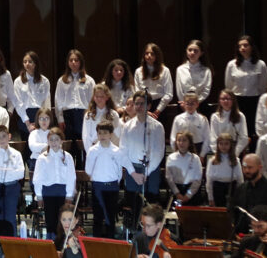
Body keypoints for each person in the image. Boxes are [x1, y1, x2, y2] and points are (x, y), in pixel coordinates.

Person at [120, 91, 166, 227]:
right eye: (137, 104)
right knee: (133, 204)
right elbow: (123, 152)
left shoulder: (157, 127)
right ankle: (134, 232)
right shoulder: (127, 126)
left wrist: (146, 173)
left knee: (151, 204)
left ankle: (151, 233)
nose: (139, 106)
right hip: (132, 169)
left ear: (149, 105)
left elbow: (159, 152)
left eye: (142, 103)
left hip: (150, 169)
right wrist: (133, 173)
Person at [224, 35, 267, 144]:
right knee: (238, 129)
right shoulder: (232, 64)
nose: (242, 48)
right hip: (238, 101)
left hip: (255, 101)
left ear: (252, 47)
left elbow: (263, 86)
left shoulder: (260, 64)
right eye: (240, 46)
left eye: (245, 45)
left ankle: (253, 155)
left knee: (253, 130)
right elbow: (228, 86)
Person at [33, 127, 76, 240]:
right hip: (48, 193)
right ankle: (51, 242)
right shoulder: (42, 158)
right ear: (48, 141)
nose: (54, 142)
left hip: (63, 192)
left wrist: (69, 194)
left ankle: (62, 242)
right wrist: (39, 195)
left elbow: (71, 177)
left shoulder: (68, 157)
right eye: (51, 140)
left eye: (56, 139)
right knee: (50, 220)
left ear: (61, 141)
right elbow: (37, 178)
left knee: (62, 219)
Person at [55, 49, 95, 168]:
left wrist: (90, 117)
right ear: (68, 62)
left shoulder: (89, 80)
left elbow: (92, 101)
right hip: (68, 115)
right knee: (70, 147)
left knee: (83, 145)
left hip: (83, 115)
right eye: (71, 60)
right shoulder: (62, 80)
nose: (73, 62)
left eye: (76, 60)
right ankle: (71, 174)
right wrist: (60, 119)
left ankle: (83, 175)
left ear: (80, 62)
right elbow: (58, 101)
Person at [85, 122, 125, 239]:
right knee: (97, 217)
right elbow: (88, 169)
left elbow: (119, 172)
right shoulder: (93, 150)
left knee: (110, 217)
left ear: (111, 134)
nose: (102, 135)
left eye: (105, 133)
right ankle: (96, 243)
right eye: (100, 133)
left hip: (112, 187)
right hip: (98, 186)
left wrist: (113, 182)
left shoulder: (116, 151)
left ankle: (110, 242)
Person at [230, 154, 267, 232]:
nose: (246, 171)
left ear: (259, 167)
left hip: (264, 233)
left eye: (250, 167)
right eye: (244, 167)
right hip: (242, 234)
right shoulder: (240, 188)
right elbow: (235, 212)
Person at [0, 124, 25, 237]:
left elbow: (20, 173)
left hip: (12, 187)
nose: (1, 139)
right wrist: (10, 172)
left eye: (4, 136)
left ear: (9, 136)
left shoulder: (16, 154)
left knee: (10, 216)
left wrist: (3, 172)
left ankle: (11, 245)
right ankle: (0, 244)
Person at [12, 50, 52, 138]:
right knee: (26, 147)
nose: (27, 64)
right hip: (24, 115)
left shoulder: (44, 81)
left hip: (40, 115)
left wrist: (45, 119)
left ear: (36, 64)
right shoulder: (18, 81)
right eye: (25, 62)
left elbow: (46, 102)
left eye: (30, 62)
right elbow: (18, 103)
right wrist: (27, 123)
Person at [134, 43, 174, 117]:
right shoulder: (138, 71)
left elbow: (169, 93)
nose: (149, 56)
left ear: (157, 56)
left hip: (160, 105)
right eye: (147, 53)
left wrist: (158, 110)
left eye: (152, 54)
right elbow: (137, 92)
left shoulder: (165, 70)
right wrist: (144, 109)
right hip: (143, 105)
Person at [165, 131, 204, 207]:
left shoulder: (195, 158)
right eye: (179, 140)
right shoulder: (171, 158)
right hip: (176, 191)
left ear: (189, 143)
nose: (181, 143)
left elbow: (198, 179)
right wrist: (177, 193)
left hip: (191, 192)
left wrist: (188, 195)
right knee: (176, 214)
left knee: (191, 215)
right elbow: (169, 178)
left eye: (184, 140)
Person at [206, 133, 243, 207]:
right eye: (221, 144)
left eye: (226, 144)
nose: (223, 146)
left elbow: (240, 180)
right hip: (217, 189)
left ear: (230, 145)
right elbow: (209, 181)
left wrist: (240, 196)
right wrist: (210, 198)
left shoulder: (235, 160)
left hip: (231, 189)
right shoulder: (212, 161)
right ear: (217, 145)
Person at [81, 84, 120, 153]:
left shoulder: (113, 115)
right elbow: (86, 136)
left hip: (110, 149)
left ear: (107, 97)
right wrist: (90, 152)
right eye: (96, 96)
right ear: (93, 97)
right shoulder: (89, 115)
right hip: (94, 149)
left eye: (102, 96)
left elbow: (117, 134)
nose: (99, 99)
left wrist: (111, 151)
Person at [169, 93, 210, 158]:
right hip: (182, 147)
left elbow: (207, 138)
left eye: (192, 104)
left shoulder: (203, 119)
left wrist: (202, 155)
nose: (190, 106)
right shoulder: (178, 119)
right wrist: (176, 151)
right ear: (184, 104)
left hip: (198, 148)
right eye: (187, 104)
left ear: (197, 104)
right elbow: (173, 137)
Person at [209, 90, 250, 154]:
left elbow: (244, 137)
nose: (225, 101)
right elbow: (213, 137)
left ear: (233, 100)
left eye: (228, 99)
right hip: (220, 148)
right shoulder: (215, 116)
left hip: (235, 148)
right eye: (223, 99)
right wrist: (217, 152)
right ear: (219, 101)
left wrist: (236, 153)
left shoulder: (240, 116)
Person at [175, 40, 212, 108]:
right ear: (186, 51)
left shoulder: (206, 70)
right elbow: (179, 90)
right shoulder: (180, 69)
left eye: (196, 51)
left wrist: (196, 102)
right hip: (183, 105)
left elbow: (206, 91)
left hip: (201, 104)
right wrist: (185, 103)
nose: (192, 53)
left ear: (201, 53)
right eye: (190, 50)